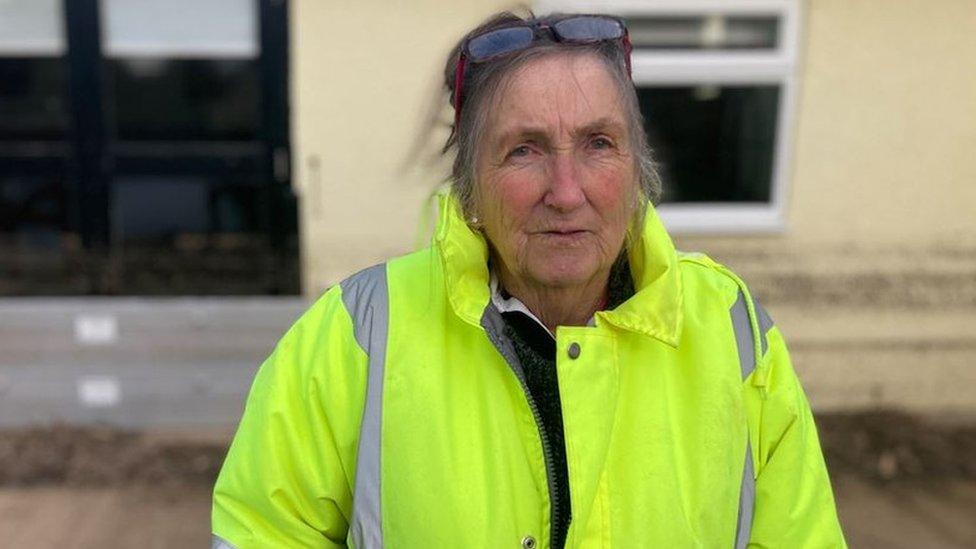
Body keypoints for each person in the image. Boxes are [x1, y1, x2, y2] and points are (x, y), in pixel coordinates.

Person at [212, 11, 846, 549]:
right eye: (524, 150)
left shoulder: (730, 330)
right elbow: (261, 530)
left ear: (636, 169)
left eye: (598, 143)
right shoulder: (357, 332)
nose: (566, 193)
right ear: (470, 187)